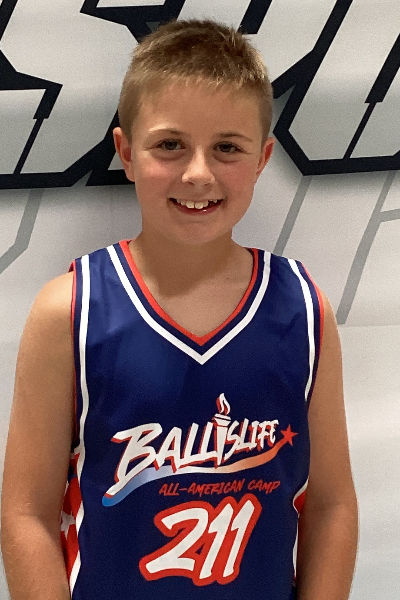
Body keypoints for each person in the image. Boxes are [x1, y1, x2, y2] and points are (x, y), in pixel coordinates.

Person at [1, 18, 358, 600]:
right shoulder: (69, 310)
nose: (198, 173)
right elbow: (26, 514)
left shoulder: (302, 308)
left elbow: (332, 504)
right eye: (170, 145)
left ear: (263, 157)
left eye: (227, 148)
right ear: (126, 152)